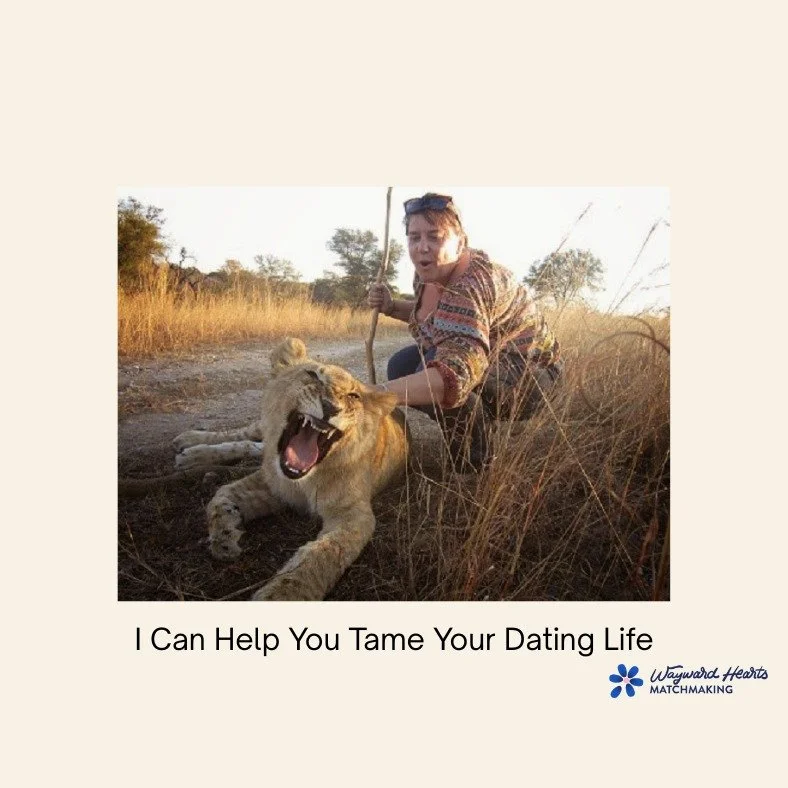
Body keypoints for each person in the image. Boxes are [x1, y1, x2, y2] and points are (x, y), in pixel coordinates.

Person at [368, 193, 563, 471]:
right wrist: (390, 306)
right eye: (414, 237)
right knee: (400, 365)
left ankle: (474, 465)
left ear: (460, 242)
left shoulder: (470, 284)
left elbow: (455, 373)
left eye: (435, 237)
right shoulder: (429, 273)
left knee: (435, 366)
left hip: (537, 377)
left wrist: (372, 395)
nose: (422, 247)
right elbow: (438, 316)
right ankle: (476, 423)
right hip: (493, 362)